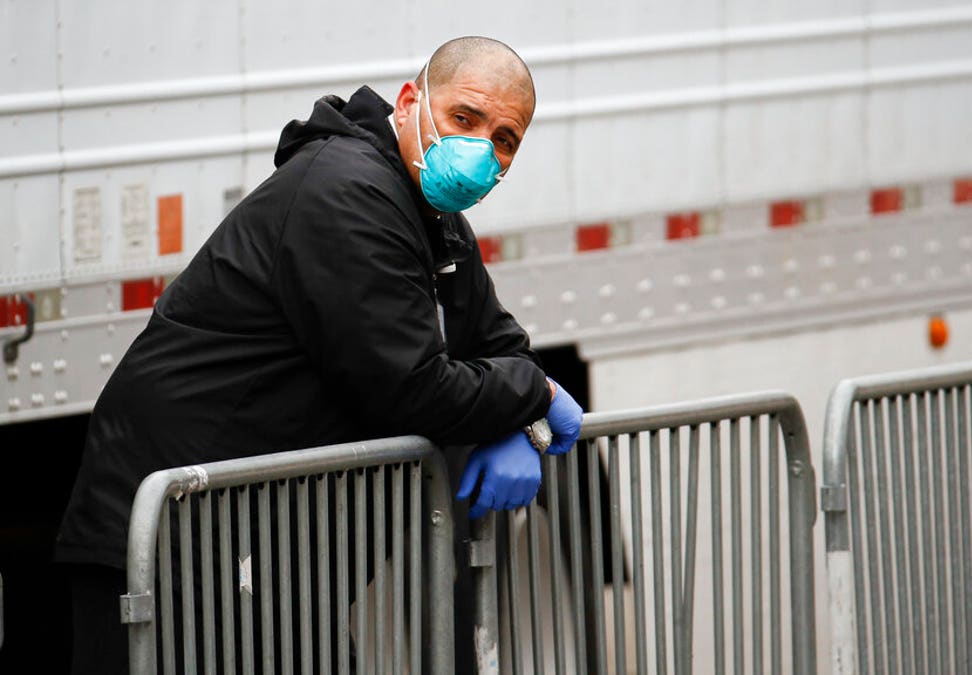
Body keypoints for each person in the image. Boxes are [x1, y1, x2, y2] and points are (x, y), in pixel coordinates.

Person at [55, 36, 583, 674]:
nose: (481, 150)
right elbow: (412, 387)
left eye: (504, 139)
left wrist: (516, 417)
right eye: (464, 119)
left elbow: (498, 343)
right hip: (177, 545)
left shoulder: (430, 213)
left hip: (258, 544)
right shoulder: (349, 193)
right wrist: (536, 397)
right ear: (412, 101)